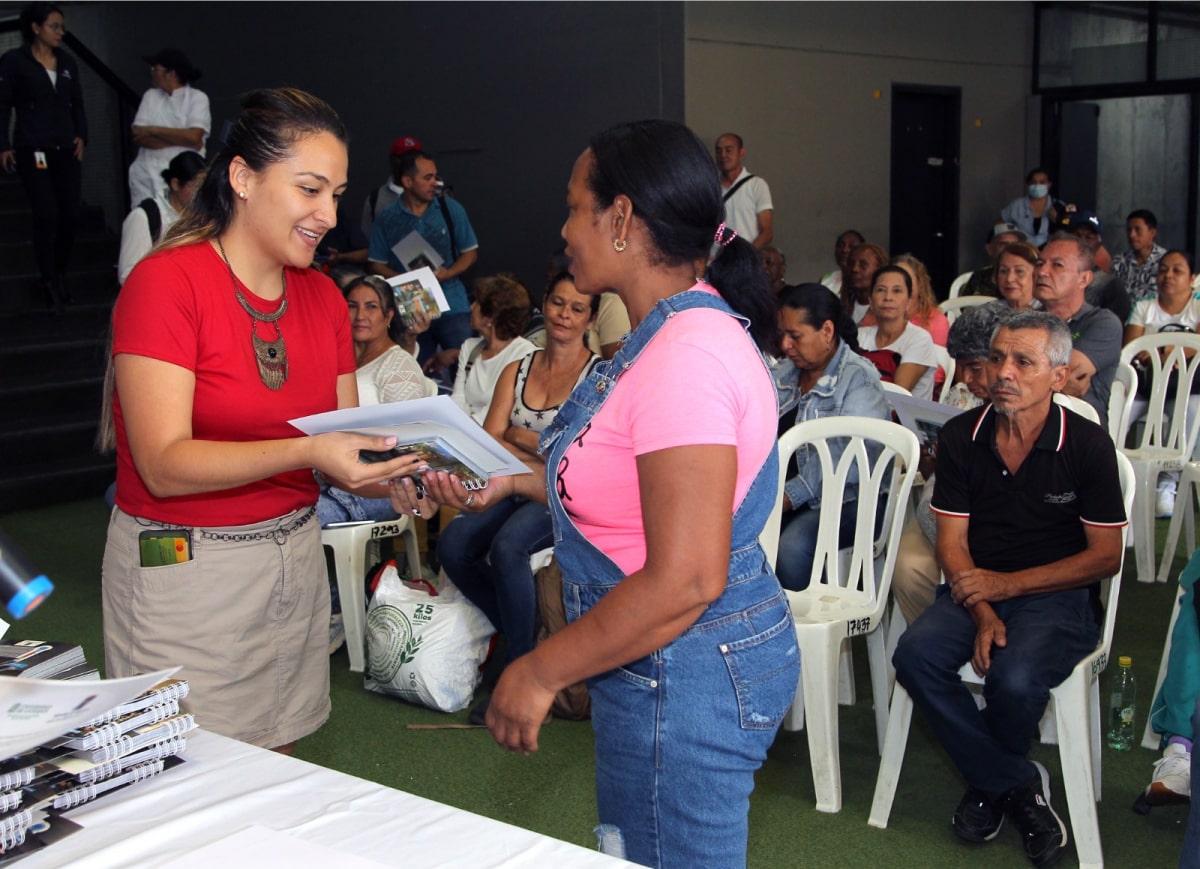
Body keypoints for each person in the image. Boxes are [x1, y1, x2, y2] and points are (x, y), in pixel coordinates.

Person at [392, 119, 798, 868]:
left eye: (575, 206)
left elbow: (686, 576)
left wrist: (541, 667)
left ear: (620, 220)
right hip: (663, 655)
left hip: (686, 663)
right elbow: (635, 492)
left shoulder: (685, 357)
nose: (563, 227)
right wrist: (508, 483)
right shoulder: (662, 335)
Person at [101, 88, 423, 753]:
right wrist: (309, 451)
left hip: (294, 563)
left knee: (277, 782)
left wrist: (406, 473)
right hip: (185, 573)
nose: (329, 215)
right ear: (243, 178)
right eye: (310, 189)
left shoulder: (323, 299)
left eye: (336, 194)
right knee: (182, 791)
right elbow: (164, 463)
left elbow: (342, 453)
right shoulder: (167, 284)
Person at [893, 310, 1127, 867]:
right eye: (998, 358)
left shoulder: (1088, 446)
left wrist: (1007, 586)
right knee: (915, 656)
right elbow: (951, 544)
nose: (1003, 372)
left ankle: (987, 783)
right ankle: (1015, 784)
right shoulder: (962, 435)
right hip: (976, 589)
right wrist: (983, 610)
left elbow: (1106, 557)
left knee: (1016, 679)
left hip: (1057, 596)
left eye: (1024, 361)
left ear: (1058, 376)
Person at [440, 273, 600, 725]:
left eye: (577, 308)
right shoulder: (519, 367)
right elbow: (491, 444)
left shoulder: (596, 378)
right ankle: (521, 638)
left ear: (590, 319)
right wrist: (528, 443)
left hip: (562, 495)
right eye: (557, 303)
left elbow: (574, 460)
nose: (564, 316)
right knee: (453, 545)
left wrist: (516, 434)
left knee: (508, 547)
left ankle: (520, 676)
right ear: (544, 305)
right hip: (507, 480)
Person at [890, 301, 1013, 625]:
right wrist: (933, 461)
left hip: (998, 518)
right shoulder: (963, 396)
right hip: (943, 508)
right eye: (961, 367)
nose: (966, 379)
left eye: (975, 367)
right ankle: (938, 635)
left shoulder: (1028, 408)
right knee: (908, 566)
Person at [772, 282, 890, 591]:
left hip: (850, 498)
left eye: (795, 336)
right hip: (784, 495)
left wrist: (786, 498)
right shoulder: (786, 372)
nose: (785, 345)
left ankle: (807, 630)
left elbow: (848, 461)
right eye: (783, 334)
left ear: (826, 331)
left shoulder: (858, 378)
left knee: (791, 548)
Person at [317, 273, 430, 528]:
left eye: (371, 307)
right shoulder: (337, 359)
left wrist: (353, 480)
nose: (360, 316)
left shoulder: (399, 365)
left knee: (300, 522)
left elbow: (407, 453)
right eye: (352, 306)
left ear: (388, 316)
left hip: (380, 488)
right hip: (330, 475)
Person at [0, 2, 86, 312]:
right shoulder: (14, 61)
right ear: (36, 28)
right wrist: (3, 145)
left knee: (71, 214)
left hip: (64, 144)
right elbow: (3, 104)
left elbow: (77, 102)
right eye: (54, 26)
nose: (60, 32)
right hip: (32, 145)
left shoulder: (66, 62)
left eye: (61, 27)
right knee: (46, 213)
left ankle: (60, 273)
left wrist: (81, 135)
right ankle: (48, 279)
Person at [367, 148, 479, 376]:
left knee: (466, 366)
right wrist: (403, 279)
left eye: (436, 176)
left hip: (452, 301)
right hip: (411, 302)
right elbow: (375, 263)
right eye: (427, 177)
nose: (435, 183)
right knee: (414, 370)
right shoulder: (387, 217)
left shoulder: (450, 209)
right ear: (407, 181)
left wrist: (448, 273)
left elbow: (470, 253)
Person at [1123, 250, 1200, 518]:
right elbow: (1131, 349)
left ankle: (1167, 484)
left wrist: (1164, 350)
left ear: (1192, 278)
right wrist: (1168, 352)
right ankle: (1116, 480)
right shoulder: (1144, 305)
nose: (1168, 275)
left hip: (1187, 387)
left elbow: (1196, 347)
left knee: (1192, 412)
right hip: (1146, 385)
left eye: (1177, 270)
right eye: (1163, 269)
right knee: (1115, 413)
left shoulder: (1198, 305)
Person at [1033, 232, 1122, 419]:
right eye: (1040, 264)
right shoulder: (1025, 321)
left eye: (1057, 265)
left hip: (1080, 431)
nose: (1042, 272)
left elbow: (1066, 375)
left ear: (1084, 279)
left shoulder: (1102, 323)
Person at [128, 48, 209, 204]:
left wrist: (153, 130)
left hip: (182, 178)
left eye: (155, 69)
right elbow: (138, 135)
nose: (152, 72)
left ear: (171, 73)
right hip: (145, 174)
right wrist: (182, 139)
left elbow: (194, 136)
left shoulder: (197, 98)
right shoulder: (150, 96)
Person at [451, 275, 536, 424]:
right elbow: (457, 398)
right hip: (463, 429)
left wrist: (463, 427)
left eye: (477, 303)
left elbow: (499, 409)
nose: (471, 307)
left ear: (489, 318)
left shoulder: (525, 354)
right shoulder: (470, 347)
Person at [117, 149, 205, 284]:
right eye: (195, 186)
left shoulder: (204, 218)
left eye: (203, 187)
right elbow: (127, 275)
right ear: (175, 184)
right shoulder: (144, 217)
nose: (200, 193)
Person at [858, 264, 939, 400]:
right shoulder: (859, 336)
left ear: (908, 302)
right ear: (870, 300)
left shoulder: (919, 339)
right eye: (881, 290)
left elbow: (897, 394)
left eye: (897, 291)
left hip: (901, 419)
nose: (888, 297)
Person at [1060, 208, 1130, 323]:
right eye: (1077, 235)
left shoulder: (1110, 284)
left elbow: (1116, 328)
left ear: (1099, 244)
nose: (1082, 242)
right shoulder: (1054, 274)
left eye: (1089, 237)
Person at [714, 132, 773, 248]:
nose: (723, 155)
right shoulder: (710, 187)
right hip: (715, 261)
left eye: (729, 150)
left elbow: (767, 232)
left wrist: (746, 256)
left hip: (746, 261)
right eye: (718, 151)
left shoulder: (757, 185)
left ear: (741, 153)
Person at [360, 134, 422, 238]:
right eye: (403, 158)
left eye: (414, 158)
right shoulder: (375, 199)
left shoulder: (434, 195)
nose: (409, 163)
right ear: (392, 160)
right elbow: (370, 240)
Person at [1114, 209, 1169, 304]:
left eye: (1137, 229)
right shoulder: (1119, 262)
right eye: (1129, 230)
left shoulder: (1165, 261)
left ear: (1152, 232)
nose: (1132, 235)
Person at [961, 223, 1027, 298]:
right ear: (989, 249)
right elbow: (962, 307)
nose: (1010, 249)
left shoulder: (1027, 278)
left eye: (1015, 245)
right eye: (1004, 244)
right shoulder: (979, 276)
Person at [1000, 167, 1061, 248]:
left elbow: (1066, 226)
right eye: (1033, 182)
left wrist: (1058, 220)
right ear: (1028, 184)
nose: (1037, 185)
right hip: (1021, 249)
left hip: (1049, 250)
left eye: (1042, 182)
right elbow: (999, 225)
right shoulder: (1017, 205)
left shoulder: (1058, 205)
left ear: (1049, 184)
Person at [840, 241, 889, 325]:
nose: (854, 269)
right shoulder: (839, 307)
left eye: (863, 265)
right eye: (851, 264)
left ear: (880, 269)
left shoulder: (889, 309)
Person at [820, 229, 864, 295]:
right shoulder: (826, 279)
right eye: (841, 245)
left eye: (852, 247)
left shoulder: (866, 282)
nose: (845, 250)